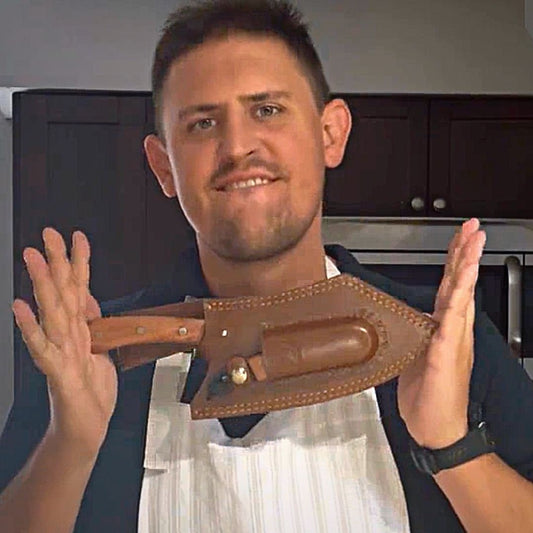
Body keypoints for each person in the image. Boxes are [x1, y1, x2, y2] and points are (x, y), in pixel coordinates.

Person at [1, 0, 533, 531]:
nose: (237, 147)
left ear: (330, 134)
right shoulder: (93, 355)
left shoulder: (441, 342)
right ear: (164, 168)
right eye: (203, 123)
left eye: (268, 110)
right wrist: (70, 443)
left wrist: (452, 447)